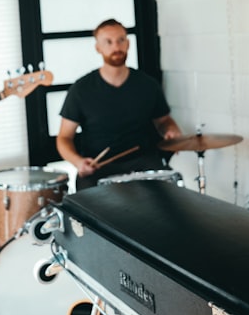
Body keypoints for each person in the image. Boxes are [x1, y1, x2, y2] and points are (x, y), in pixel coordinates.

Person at [57, 19, 183, 189]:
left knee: (173, 193)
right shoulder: (81, 89)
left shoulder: (148, 85)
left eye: (121, 40)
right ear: (98, 48)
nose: (116, 47)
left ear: (128, 43)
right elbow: (64, 137)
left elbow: (163, 121)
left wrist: (171, 130)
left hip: (144, 163)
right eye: (108, 42)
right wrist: (78, 162)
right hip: (99, 168)